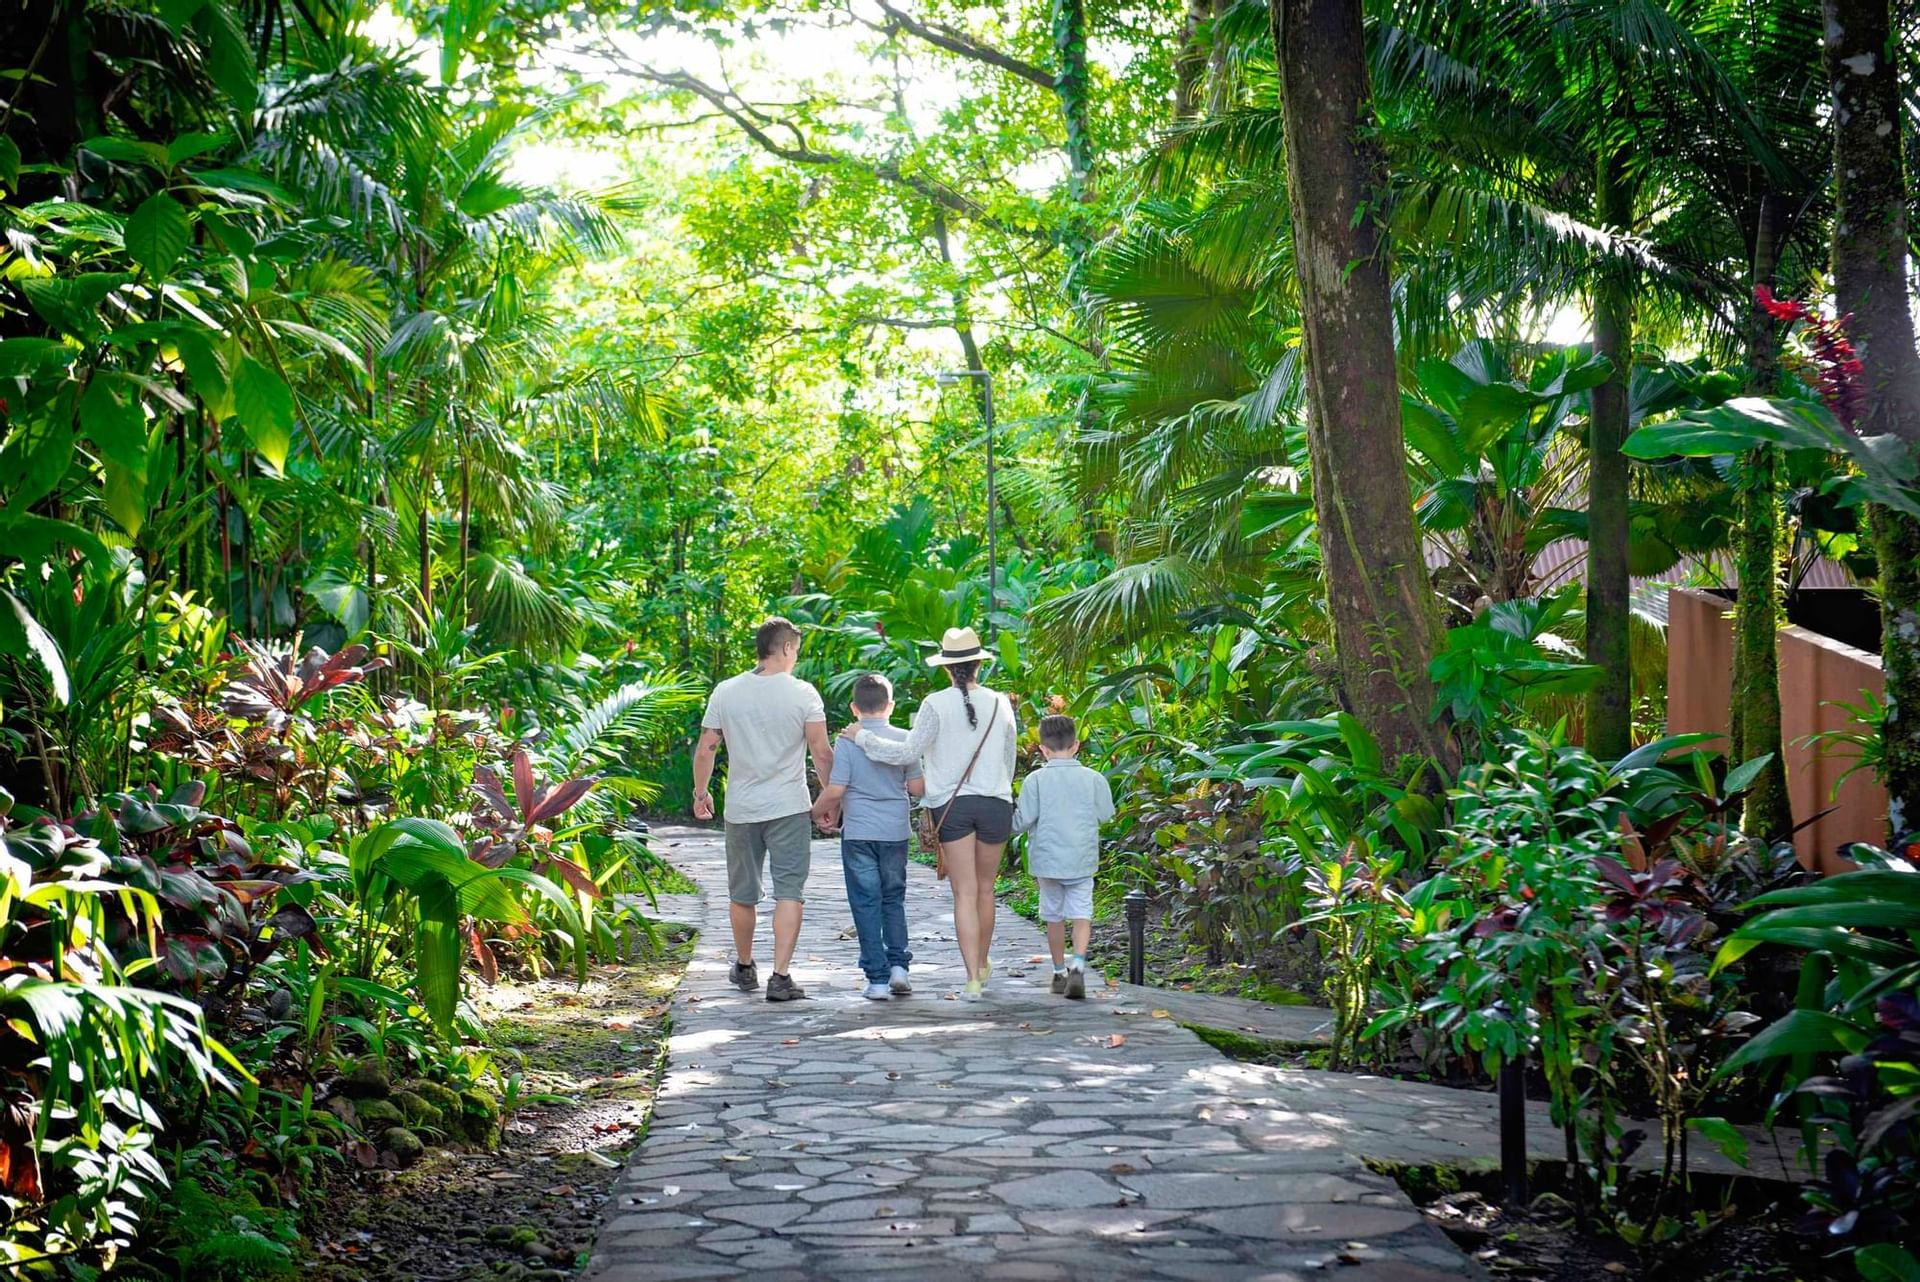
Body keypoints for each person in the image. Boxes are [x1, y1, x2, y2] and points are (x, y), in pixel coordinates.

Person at [844, 626, 1016, 1001]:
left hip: (952, 808)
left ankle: (971, 979)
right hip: (996, 804)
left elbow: (906, 754)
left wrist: (861, 737)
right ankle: (983, 964)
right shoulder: (1001, 702)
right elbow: (1009, 760)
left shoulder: (934, 704)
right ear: (978, 666)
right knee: (986, 890)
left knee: (964, 892)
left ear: (946, 668)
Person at [692, 617, 834, 1002]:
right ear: (786, 648)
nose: (796, 658)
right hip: (788, 806)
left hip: (741, 808)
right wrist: (831, 798)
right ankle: (781, 976)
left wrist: (701, 792)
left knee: (743, 893)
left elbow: (707, 747)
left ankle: (743, 966)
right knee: (790, 891)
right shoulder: (803, 693)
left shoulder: (726, 691)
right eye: (796, 651)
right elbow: (821, 752)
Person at [811, 673, 925, 1000]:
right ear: (891, 705)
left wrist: (815, 812)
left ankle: (877, 980)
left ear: (854, 708)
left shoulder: (848, 740)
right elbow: (917, 789)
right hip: (895, 832)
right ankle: (899, 967)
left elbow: (836, 789)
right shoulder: (906, 739)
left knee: (865, 903)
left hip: (859, 832)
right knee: (893, 898)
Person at [1011, 714, 1114, 999]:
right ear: (1076, 745)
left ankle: (1058, 972)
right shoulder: (1093, 779)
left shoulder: (1035, 780)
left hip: (1047, 860)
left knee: (1053, 917)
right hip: (1081, 859)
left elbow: (1022, 821)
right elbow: (1106, 815)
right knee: (1082, 914)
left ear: (1042, 748)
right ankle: (1078, 965)